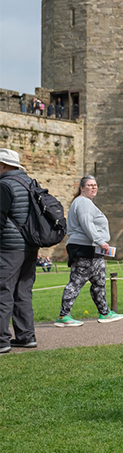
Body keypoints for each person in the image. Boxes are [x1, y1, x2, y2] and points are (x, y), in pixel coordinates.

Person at [55, 175, 123, 327]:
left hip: (90, 249)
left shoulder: (84, 202)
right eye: (89, 185)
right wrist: (101, 241)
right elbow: (87, 223)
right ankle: (63, 316)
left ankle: (105, 313)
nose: (94, 187)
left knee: (99, 281)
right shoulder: (83, 203)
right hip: (85, 248)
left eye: (95, 185)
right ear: (82, 188)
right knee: (76, 282)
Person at [0, 149, 41, 352]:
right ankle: (26, 336)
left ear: (3, 165)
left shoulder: (4, 185)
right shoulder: (31, 183)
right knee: (23, 291)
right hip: (31, 245)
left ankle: (1, 340)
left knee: (3, 291)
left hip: (9, 246)